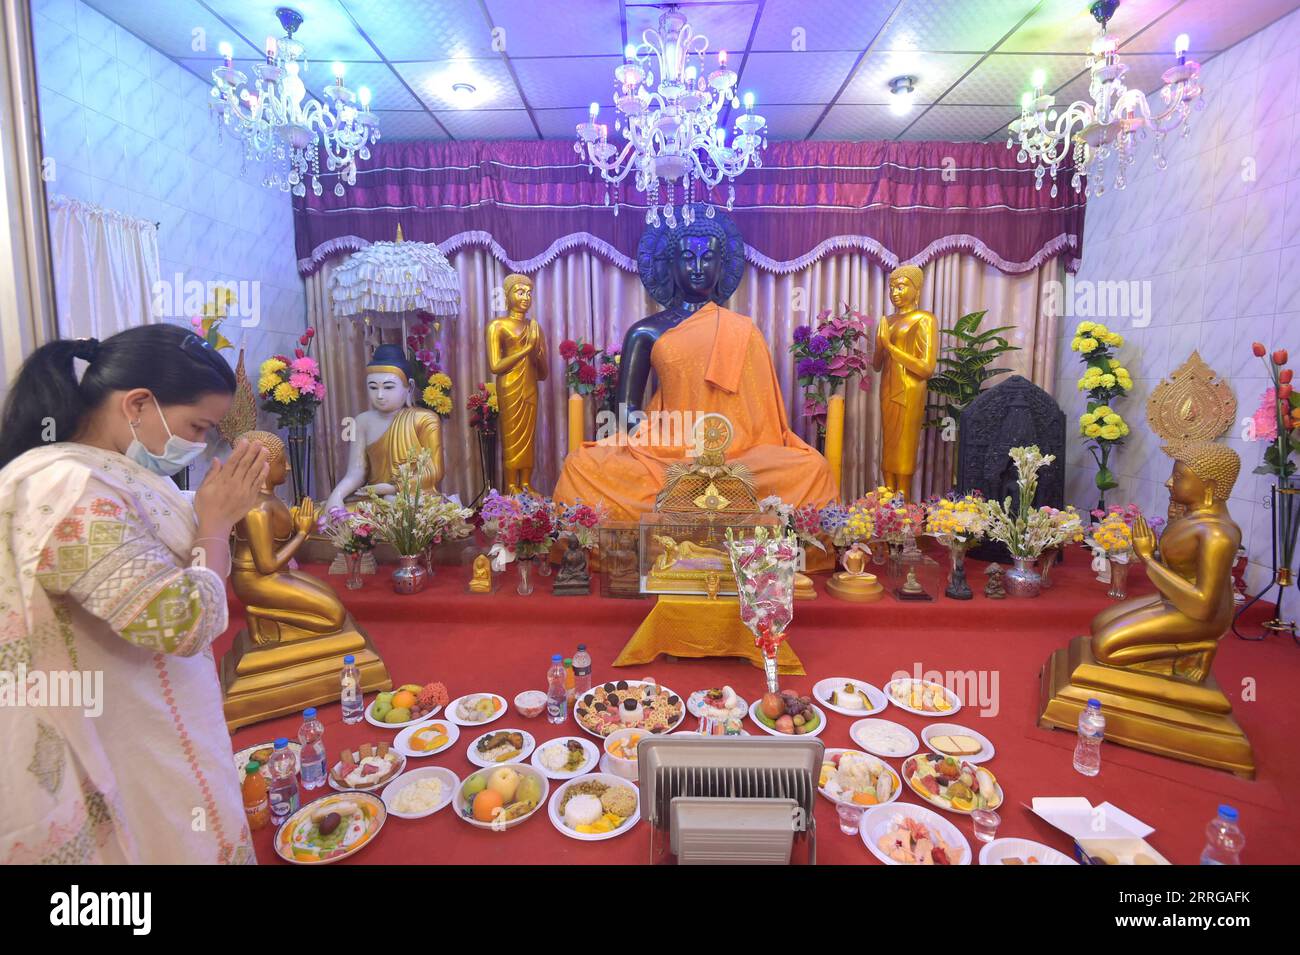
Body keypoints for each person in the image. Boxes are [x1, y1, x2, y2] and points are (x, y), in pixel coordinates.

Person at [0, 324, 269, 864]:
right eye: (198, 426)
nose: (198, 445)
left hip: (148, 710)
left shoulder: (112, 474)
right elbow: (183, 621)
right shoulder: (68, 489)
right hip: (117, 734)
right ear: (139, 404)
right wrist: (216, 521)